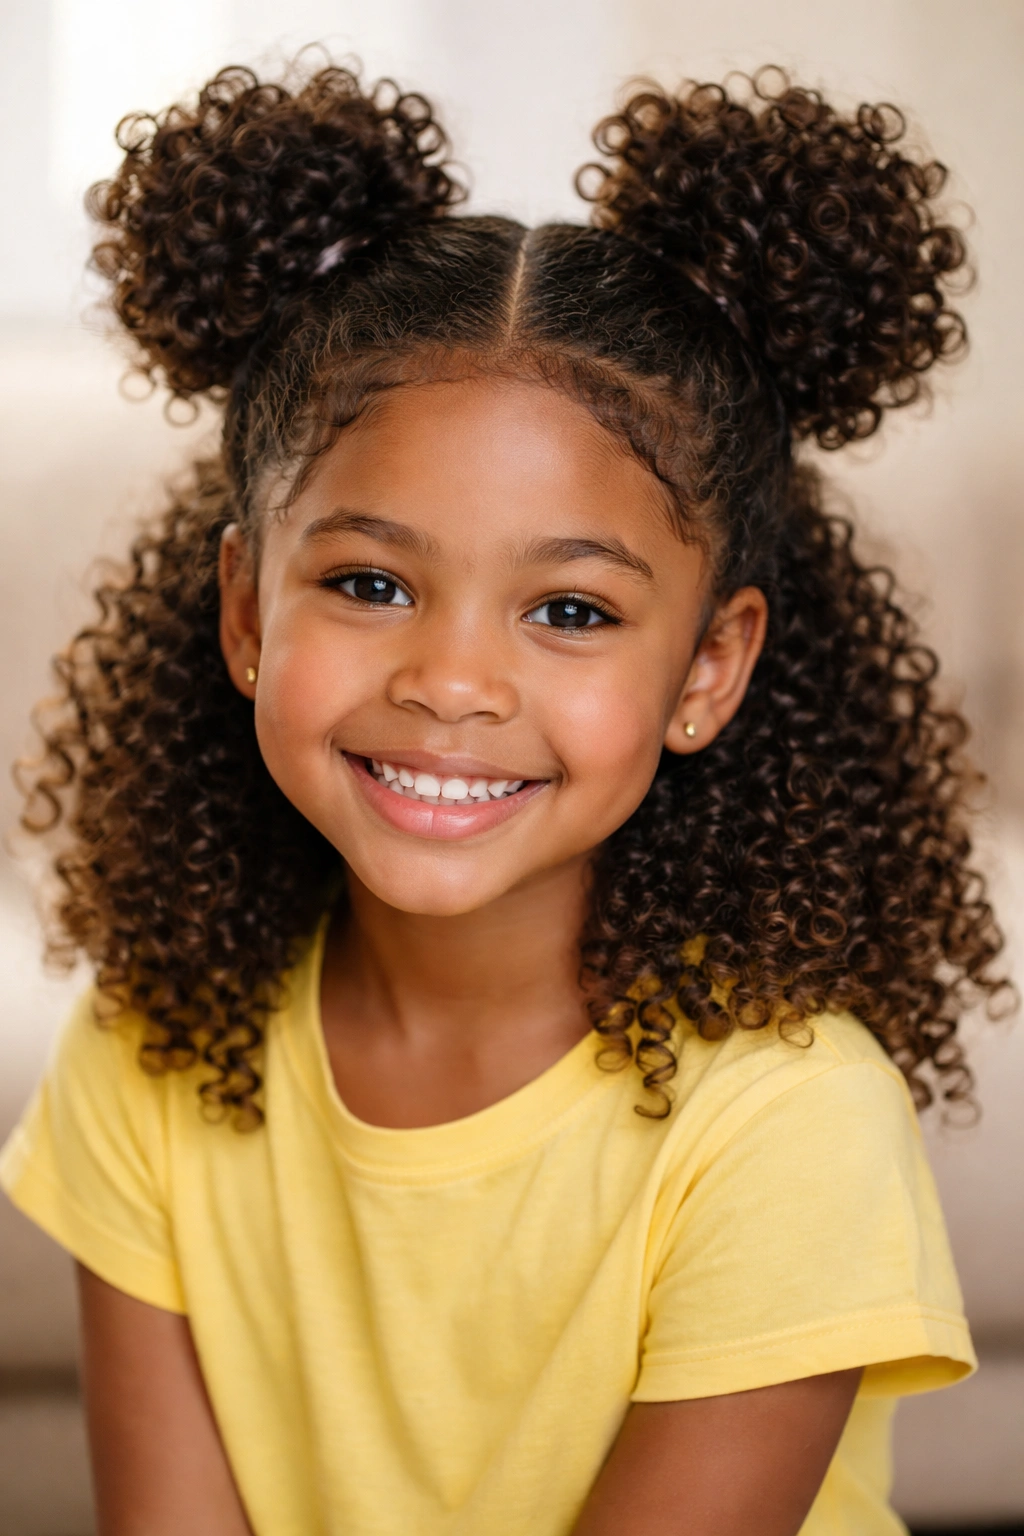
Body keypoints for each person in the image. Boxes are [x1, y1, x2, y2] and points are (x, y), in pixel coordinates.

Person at [0, 58, 1008, 1536]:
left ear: (709, 669)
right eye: (367, 583)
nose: (454, 680)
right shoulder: (153, 1047)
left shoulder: (788, 1124)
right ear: (243, 610)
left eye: (574, 613)